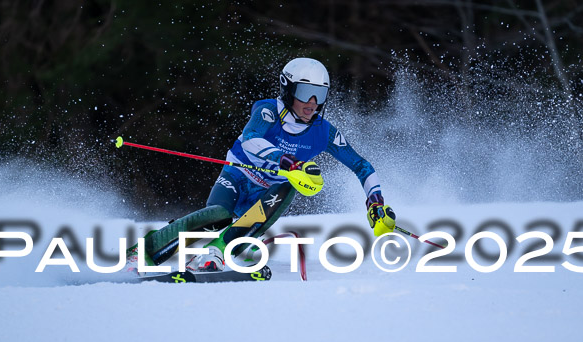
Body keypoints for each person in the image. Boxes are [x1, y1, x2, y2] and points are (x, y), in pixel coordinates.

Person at [130, 57, 396, 273]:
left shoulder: (323, 132)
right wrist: (288, 162)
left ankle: (220, 249)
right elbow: (250, 139)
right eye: (305, 93)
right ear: (288, 90)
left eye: (319, 95)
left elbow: (361, 165)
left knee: (291, 186)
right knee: (217, 216)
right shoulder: (269, 110)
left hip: (269, 194)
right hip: (238, 175)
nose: (312, 103)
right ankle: (146, 249)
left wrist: (376, 202)